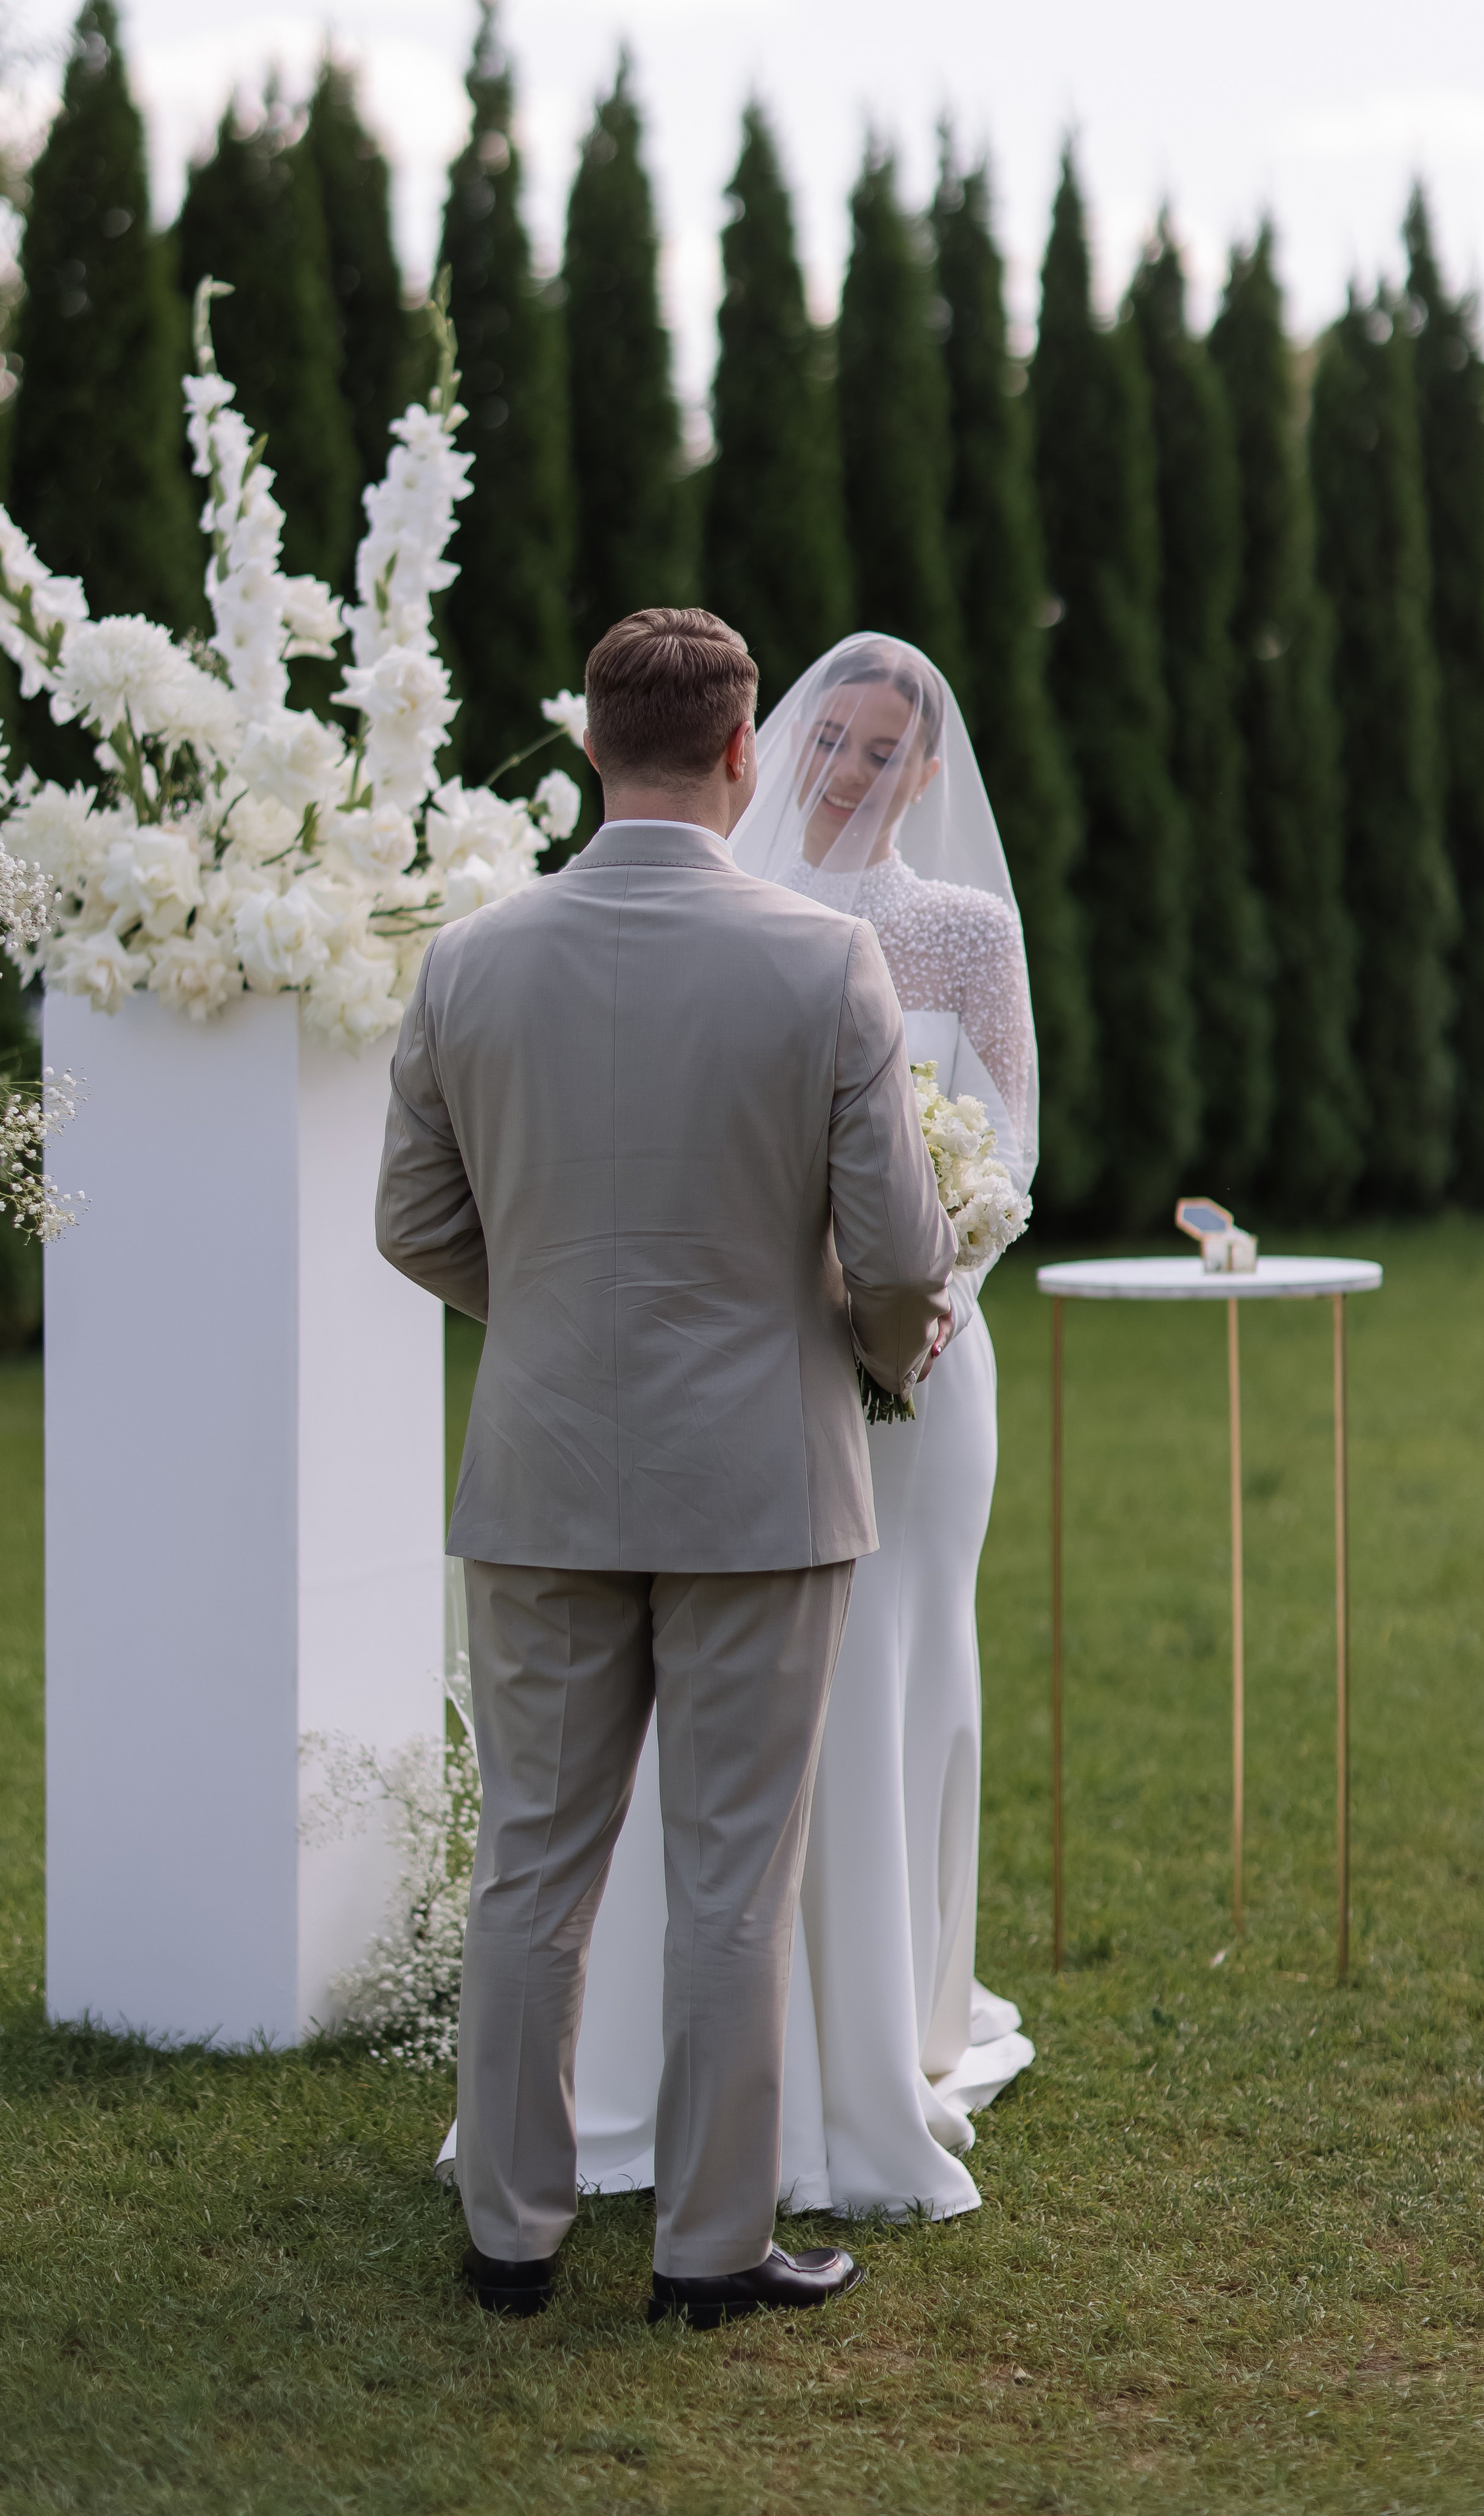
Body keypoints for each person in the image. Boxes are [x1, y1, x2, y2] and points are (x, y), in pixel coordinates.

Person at [377, 610, 954, 2327]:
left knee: (529, 1869)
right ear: (742, 753)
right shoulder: (819, 962)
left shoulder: (468, 961)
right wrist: (862, 1344)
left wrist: (545, 1317)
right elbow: (902, 1250)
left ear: (582, 745)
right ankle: (709, 2255)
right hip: (762, 1484)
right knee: (729, 1877)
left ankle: (510, 2238)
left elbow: (412, 1224)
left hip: (543, 1465)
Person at [567, 634, 1037, 2222]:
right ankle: (738, 2031)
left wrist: (946, 1271)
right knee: (749, 1676)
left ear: (925, 775)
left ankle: (892, 2013)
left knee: (903, 1656)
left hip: (923, 1365)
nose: (847, 767)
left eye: (882, 748)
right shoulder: (731, 912)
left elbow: (1010, 1144)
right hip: (758, 1353)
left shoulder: (964, 937)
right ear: (773, 746)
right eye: (827, 736)